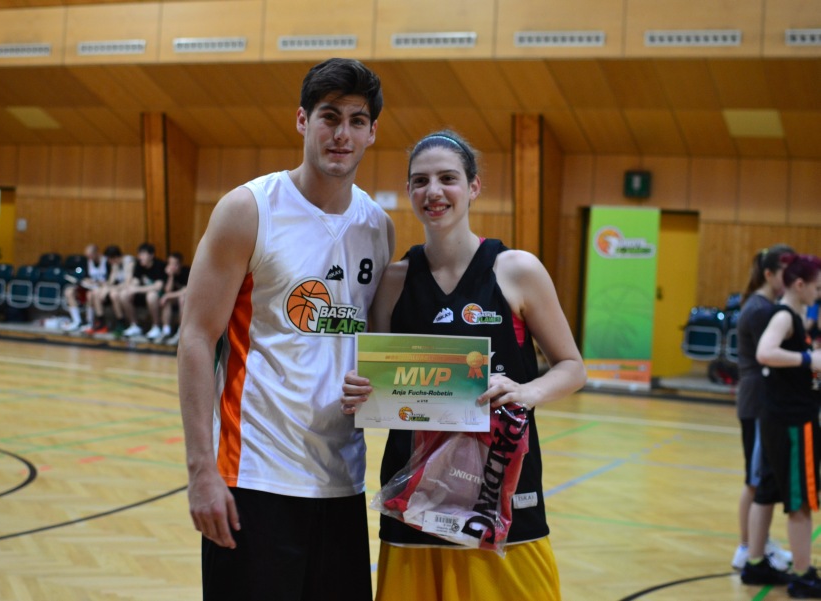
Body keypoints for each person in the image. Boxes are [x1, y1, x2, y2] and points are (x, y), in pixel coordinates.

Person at [177, 58, 392, 601]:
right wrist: (201, 470)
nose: (342, 134)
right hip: (254, 478)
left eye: (357, 121)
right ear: (302, 120)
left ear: (372, 132)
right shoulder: (249, 210)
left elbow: (372, 350)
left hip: (342, 482)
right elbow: (196, 337)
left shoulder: (377, 227)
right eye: (329, 117)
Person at [341, 130, 586, 600]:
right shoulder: (393, 282)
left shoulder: (516, 270)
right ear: (409, 191)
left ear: (473, 187)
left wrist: (527, 391)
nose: (433, 191)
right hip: (413, 497)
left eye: (447, 178)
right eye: (420, 181)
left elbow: (572, 366)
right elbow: (378, 387)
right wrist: (360, 391)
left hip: (500, 493)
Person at [747, 253, 821, 597]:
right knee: (800, 499)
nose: (818, 294)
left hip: (778, 416)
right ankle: (803, 576)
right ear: (800, 285)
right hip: (792, 422)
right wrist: (808, 359)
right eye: (817, 288)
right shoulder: (783, 316)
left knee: (767, 490)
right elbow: (765, 352)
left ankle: (755, 562)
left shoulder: (796, 316)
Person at [733, 245, 795, 575]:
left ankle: (760, 541)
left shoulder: (767, 307)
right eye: (787, 272)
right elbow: (771, 357)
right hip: (758, 402)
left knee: (760, 478)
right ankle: (746, 547)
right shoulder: (760, 310)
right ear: (769, 274)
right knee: (755, 479)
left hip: (761, 401)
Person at [114, 242, 166, 339]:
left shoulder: (159, 265)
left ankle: (156, 326)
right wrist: (130, 287)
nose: (140, 257)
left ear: (151, 255)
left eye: (143, 254)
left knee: (151, 296)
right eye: (139, 254)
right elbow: (136, 280)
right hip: (142, 293)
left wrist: (137, 289)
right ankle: (134, 325)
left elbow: (158, 286)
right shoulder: (139, 265)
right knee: (124, 294)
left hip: (158, 295)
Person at [85, 245, 134, 335]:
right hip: (119, 288)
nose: (108, 262)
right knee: (96, 292)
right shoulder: (115, 265)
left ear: (114, 258)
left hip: (131, 288)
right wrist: (104, 288)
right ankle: (101, 322)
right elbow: (111, 281)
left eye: (109, 260)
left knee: (113, 294)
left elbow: (128, 282)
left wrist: (109, 289)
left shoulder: (128, 261)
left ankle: (121, 322)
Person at [62, 243, 108, 331]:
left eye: (90, 255)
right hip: (88, 287)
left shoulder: (106, 261)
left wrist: (98, 282)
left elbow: (110, 280)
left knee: (90, 295)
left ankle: (89, 322)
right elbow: (86, 276)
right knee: (69, 291)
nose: (89, 258)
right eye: (87, 256)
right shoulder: (88, 262)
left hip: (100, 288)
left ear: (96, 253)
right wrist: (86, 280)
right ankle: (77, 321)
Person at [150, 252, 188, 344]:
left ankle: (180, 332)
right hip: (174, 299)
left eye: (174, 264)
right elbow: (168, 291)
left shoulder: (187, 272)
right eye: (169, 263)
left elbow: (186, 291)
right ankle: (166, 331)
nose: (171, 266)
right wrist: (171, 276)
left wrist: (167, 296)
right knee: (166, 301)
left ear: (179, 264)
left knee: (182, 299)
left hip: (187, 300)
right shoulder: (167, 273)